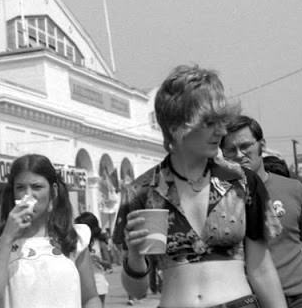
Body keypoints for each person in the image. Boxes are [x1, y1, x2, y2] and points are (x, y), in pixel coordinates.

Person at [114, 65, 286, 308]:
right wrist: (134, 255)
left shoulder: (242, 181)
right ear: (176, 126)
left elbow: (262, 269)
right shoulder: (141, 191)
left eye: (222, 120)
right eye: (209, 122)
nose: (222, 130)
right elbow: (137, 291)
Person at [221, 115, 302, 308]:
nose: (239, 154)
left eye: (245, 146)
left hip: (300, 299)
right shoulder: (219, 198)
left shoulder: (294, 190)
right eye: (231, 150)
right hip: (248, 302)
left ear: (261, 145)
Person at [0, 154, 100, 308]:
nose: (28, 195)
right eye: (20, 187)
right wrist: (8, 236)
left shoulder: (73, 238)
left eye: (37, 187)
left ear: (53, 191)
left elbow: (90, 298)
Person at [75, 211, 113, 308]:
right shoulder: (77, 244)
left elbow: (109, 263)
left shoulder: (99, 243)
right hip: (80, 282)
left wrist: (98, 260)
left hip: (98, 280)